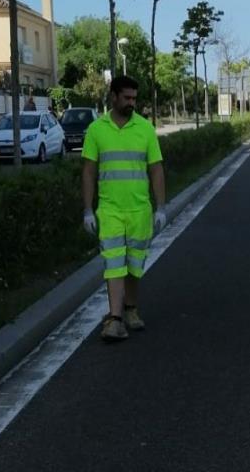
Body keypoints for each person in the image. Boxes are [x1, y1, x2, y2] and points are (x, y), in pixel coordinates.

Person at [81, 75, 166, 342]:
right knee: (114, 264)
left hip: (140, 210)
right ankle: (115, 319)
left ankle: (130, 309)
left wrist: (161, 207)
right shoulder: (97, 130)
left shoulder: (145, 129)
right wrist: (87, 209)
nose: (132, 103)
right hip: (110, 210)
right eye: (126, 98)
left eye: (134, 98)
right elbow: (88, 171)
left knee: (133, 266)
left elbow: (156, 169)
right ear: (113, 97)